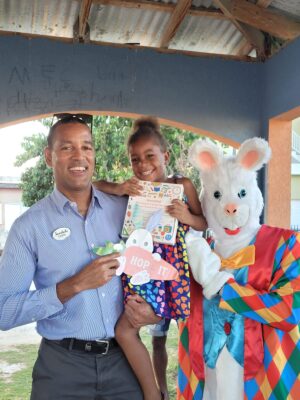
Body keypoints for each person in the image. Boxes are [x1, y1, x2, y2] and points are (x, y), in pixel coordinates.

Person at [0, 115, 159, 400]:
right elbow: (4, 311)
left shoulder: (125, 210)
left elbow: (159, 269)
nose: (79, 156)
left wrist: (154, 312)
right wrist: (72, 286)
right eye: (67, 148)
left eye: (86, 147)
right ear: (49, 156)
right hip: (62, 368)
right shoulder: (29, 227)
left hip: (124, 363)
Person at [94, 117, 207, 400]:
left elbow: (204, 222)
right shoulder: (134, 188)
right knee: (125, 330)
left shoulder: (182, 184)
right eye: (135, 159)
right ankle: (153, 393)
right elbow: (94, 184)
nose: (142, 164)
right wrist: (120, 188)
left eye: (149, 156)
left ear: (165, 156)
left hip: (171, 271)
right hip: (140, 265)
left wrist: (187, 216)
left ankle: (194, 389)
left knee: (188, 332)